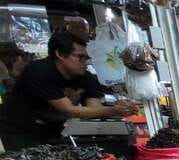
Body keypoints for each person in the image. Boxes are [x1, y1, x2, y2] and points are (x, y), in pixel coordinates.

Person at [0, 32, 137, 151]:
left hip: (52, 129)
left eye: (87, 57)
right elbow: (68, 110)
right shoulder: (39, 71)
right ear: (60, 54)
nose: (86, 62)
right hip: (17, 129)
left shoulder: (86, 77)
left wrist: (119, 107)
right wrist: (114, 110)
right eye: (80, 57)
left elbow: (94, 109)